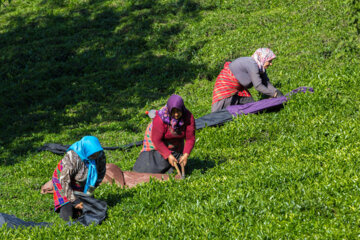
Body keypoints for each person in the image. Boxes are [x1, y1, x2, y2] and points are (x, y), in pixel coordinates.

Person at [133, 95, 195, 174]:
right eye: (173, 111)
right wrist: (168, 155)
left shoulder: (188, 117)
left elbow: (190, 138)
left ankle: (171, 162)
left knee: (175, 164)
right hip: (156, 139)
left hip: (175, 142)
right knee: (143, 170)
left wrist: (186, 155)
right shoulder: (160, 118)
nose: (176, 114)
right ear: (169, 110)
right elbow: (156, 140)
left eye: (178, 111)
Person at [211, 48, 283, 112]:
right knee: (218, 113)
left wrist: (275, 91)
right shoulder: (252, 64)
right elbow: (258, 86)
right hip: (225, 87)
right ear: (263, 58)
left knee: (252, 107)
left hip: (238, 89)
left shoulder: (260, 67)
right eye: (269, 61)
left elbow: (266, 82)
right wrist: (274, 94)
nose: (271, 64)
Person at [52, 136, 106, 221]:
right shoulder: (73, 157)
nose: (95, 156)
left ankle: (77, 209)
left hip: (83, 181)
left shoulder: (99, 155)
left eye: (96, 153)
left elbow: (100, 173)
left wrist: (89, 193)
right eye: (92, 155)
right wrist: (75, 201)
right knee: (67, 215)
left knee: (86, 207)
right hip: (63, 179)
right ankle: (66, 210)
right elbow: (64, 180)